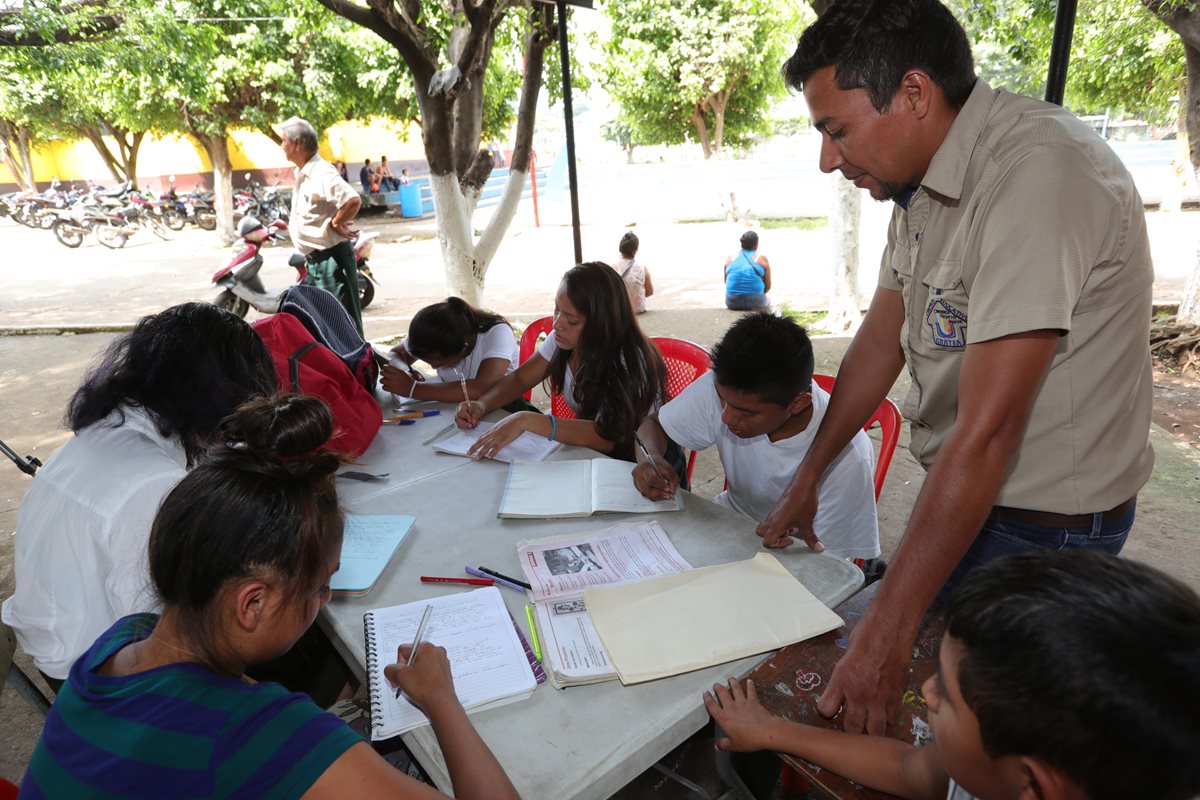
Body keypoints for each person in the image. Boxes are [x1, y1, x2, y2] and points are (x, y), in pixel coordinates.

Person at [763, 0, 1155, 735]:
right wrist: (808, 475)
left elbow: (990, 430)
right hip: (972, 494)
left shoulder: (1038, 174)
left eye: (835, 130)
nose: (827, 159)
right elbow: (880, 343)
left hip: (1046, 523)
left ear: (913, 93)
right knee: (909, 705)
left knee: (964, 734)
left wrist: (886, 629)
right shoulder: (915, 185)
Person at [21, 394, 521, 800]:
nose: (325, 600)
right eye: (322, 584)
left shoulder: (121, 642)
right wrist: (440, 699)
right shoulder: (257, 735)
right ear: (252, 604)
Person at [704, 549, 1200, 800]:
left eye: (948, 692)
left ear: (1033, 782)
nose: (926, 691)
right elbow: (909, 770)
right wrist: (775, 731)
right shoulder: (988, 773)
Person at [1, 303, 278, 691]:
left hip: (61, 634)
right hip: (89, 666)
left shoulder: (112, 429)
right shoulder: (153, 483)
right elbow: (163, 633)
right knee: (277, 639)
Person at [632, 313, 879, 562]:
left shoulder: (849, 456)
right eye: (723, 401)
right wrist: (649, 457)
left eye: (746, 413)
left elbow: (827, 563)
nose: (727, 418)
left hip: (797, 557)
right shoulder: (727, 387)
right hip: (730, 523)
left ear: (798, 404)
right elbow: (654, 425)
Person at [454, 262, 667, 464]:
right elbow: (520, 379)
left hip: (636, 463)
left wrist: (526, 420)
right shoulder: (564, 340)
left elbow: (608, 437)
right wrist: (482, 404)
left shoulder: (627, 361)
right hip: (593, 455)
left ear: (603, 323)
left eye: (572, 320)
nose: (557, 324)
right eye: (557, 310)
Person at [281, 117, 365, 334]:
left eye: (284, 141)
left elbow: (352, 200)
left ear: (297, 143)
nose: (282, 146)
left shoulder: (320, 171)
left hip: (331, 260)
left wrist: (337, 222)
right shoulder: (303, 172)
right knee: (324, 325)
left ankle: (357, 367)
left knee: (342, 326)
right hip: (316, 261)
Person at [380, 297, 522, 407]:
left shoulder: (497, 333)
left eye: (440, 363)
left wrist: (413, 389)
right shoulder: (437, 333)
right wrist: (406, 371)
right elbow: (395, 353)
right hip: (455, 408)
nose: (434, 367)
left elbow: (483, 387)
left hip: (500, 409)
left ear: (463, 347)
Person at [723, 230, 771, 310]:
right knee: (768, 300)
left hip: (732, 302)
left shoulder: (730, 258)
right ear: (756, 245)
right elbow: (768, 286)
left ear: (741, 244)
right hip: (756, 302)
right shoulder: (761, 259)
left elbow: (726, 281)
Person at [612, 230, 654, 314]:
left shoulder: (612, 267)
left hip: (620, 310)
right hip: (638, 309)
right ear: (635, 250)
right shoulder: (642, 267)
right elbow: (650, 292)